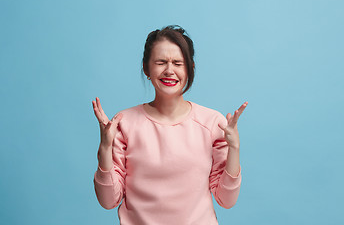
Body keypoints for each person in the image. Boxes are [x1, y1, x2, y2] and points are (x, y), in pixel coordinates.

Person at [92, 25, 248, 225]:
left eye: (177, 63)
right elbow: (108, 201)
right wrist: (105, 147)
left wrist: (234, 148)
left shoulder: (212, 123)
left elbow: (227, 200)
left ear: (190, 68)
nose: (169, 70)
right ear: (146, 68)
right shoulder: (124, 123)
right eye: (161, 62)